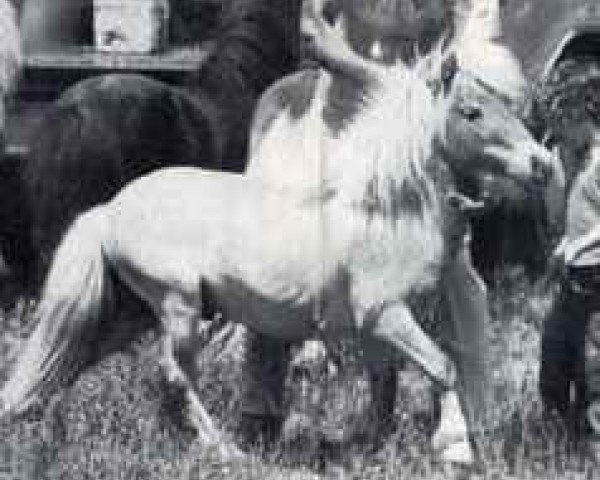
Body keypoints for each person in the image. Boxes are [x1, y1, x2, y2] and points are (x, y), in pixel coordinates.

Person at [239, 0, 532, 462]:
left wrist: (476, 171)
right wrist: (391, 84)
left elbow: (471, 60)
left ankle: (468, 426)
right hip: (340, 124)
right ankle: (260, 409)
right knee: (284, 254)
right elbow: (313, 35)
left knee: (457, 279)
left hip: (416, 132)